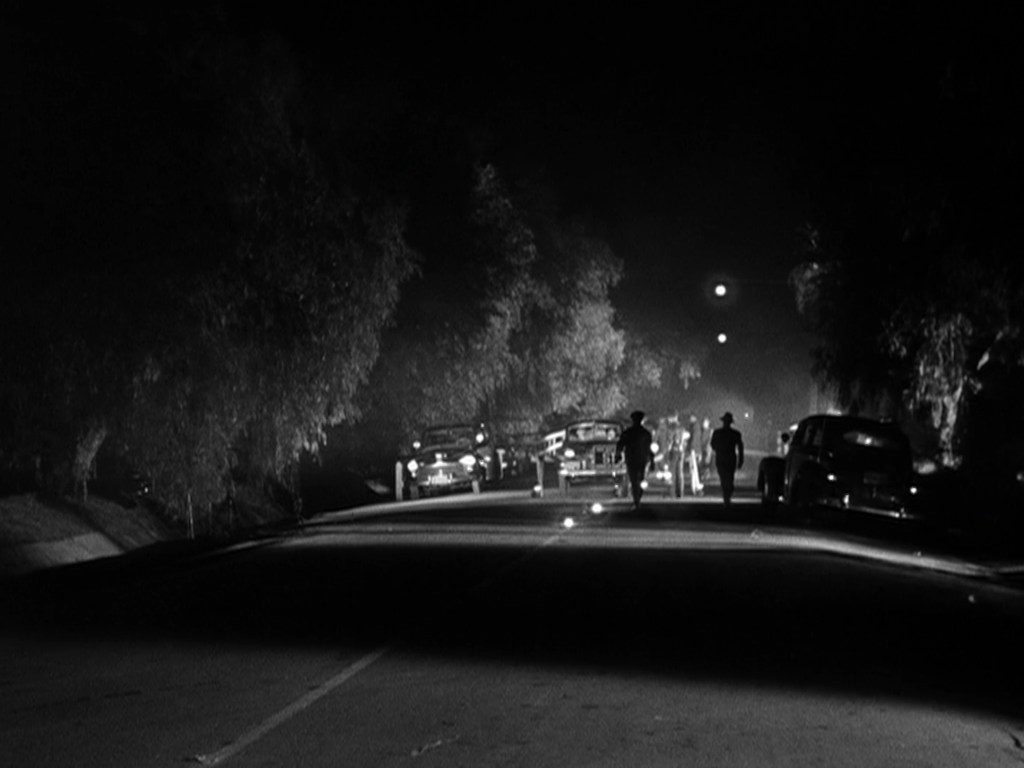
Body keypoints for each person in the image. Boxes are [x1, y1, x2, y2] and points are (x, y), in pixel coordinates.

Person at [615, 410, 655, 509]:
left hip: (632, 459)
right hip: (642, 459)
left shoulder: (628, 432)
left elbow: (620, 445)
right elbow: (650, 448)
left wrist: (618, 455)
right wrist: (652, 460)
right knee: (640, 479)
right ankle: (637, 498)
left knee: (634, 480)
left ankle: (636, 499)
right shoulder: (646, 433)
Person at [710, 412, 744, 506]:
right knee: (729, 477)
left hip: (721, 457)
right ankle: (727, 494)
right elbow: (740, 448)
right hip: (730, 458)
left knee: (723, 477)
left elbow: (712, 445)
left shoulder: (717, 433)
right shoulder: (736, 434)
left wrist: (719, 449)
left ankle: (726, 494)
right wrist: (741, 460)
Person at [685, 414, 705, 496]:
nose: (689, 419)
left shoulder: (695, 427)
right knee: (693, 470)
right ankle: (695, 487)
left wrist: (691, 449)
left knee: (694, 470)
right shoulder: (695, 426)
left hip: (694, 450)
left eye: (690, 417)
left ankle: (697, 487)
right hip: (695, 450)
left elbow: (694, 439)